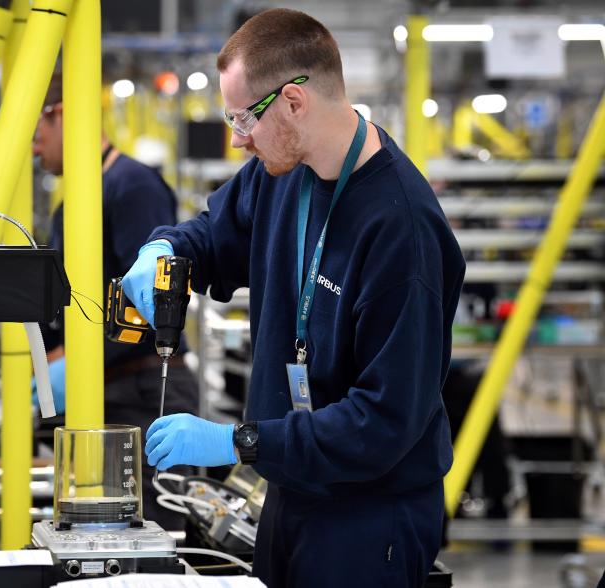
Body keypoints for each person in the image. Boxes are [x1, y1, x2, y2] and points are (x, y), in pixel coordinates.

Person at [123, 9, 465, 587]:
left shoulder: (401, 232)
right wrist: (166, 251)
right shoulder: (279, 171)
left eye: (242, 118)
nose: (237, 138)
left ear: (294, 101)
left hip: (367, 518)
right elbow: (214, 233)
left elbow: (381, 424)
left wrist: (236, 440)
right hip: (290, 492)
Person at [32, 71, 199, 530]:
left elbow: (146, 301)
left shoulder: (132, 186)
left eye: (35, 131)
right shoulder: (78, 199)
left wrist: (76, 356)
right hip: (110, 387)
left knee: (149, 537)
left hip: (146, 391)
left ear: (61, 114)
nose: (32, 147)